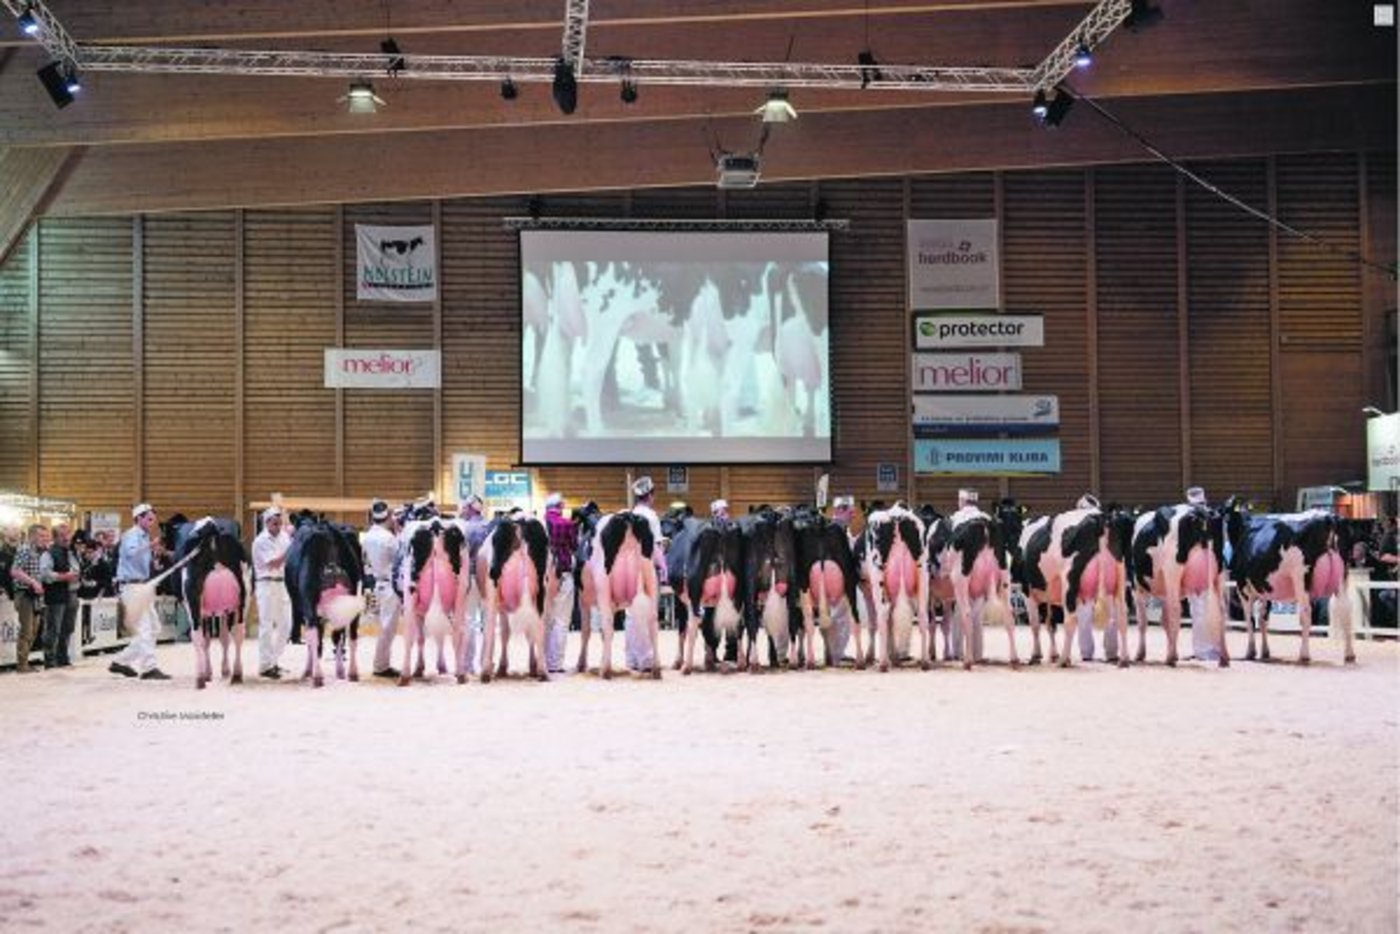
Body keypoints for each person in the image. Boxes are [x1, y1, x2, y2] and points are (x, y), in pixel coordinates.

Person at [109, 504, 170, 680]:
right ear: (139, 518)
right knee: (144, 628)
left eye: (153, 519)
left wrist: (155, 558)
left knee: (154, 628)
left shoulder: (144, 537)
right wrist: (150, 546)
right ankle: (149, 668)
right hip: (131, 587)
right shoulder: (132, 535)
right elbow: (130, 554)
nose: (152, 522)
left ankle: (121, 661)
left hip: (142, 586)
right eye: (149, 519)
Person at [624, 476, 666, 671]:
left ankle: (631, 658)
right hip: (646, 567)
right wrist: (664, 568)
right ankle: (646, 659)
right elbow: (656, 548)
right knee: (648, 614)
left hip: (627, 568)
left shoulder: (629, 515)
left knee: (631, 614)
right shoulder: (650, 517)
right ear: (650, 495)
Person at [362, 499, 402, 679]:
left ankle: (381, 664)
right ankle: (380, 666)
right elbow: (399, 560)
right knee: (388, 628)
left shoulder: (368, 536)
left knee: (383, 626)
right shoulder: (389, 538)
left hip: (377, 583)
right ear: (388, 517)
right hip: (390, 586)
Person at [252, 507, 293, 679]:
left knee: (286, 625)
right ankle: (264, 666)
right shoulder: (260, 541)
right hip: (266, 584)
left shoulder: (284, 537)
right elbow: (274, 564)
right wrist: (292, 549)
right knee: (266, 626)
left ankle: (274, 662)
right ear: (266, 522)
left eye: (280, 523)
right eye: (274, 523)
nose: (278, 526)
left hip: (282, 585)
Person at [9, 524, 49, 672]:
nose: (44, 539)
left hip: (36, 596)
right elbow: (14, 571)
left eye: (46, 536)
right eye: (41, 536)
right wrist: (32, 582)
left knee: (34, 630)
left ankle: (24, 662)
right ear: (32, 536)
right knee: (26, 630)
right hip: (24, 594)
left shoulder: (41, 552)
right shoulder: (24, 550)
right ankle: (22, 665)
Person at [543, 492, 576, 674]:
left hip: (542, 577)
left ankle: (540, 659)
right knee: (561, 620)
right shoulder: (567, 524)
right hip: (563, 572)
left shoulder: (539, 524)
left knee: (544, 619)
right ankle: (554, 663)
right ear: (561, 506)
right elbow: (574, 546)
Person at [39, 522, 80, 668]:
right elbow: (44, 574)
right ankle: (49, 660)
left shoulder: (71, 552)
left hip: (72, 594)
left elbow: (76, 569)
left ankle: (63, 658)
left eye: (68, 534)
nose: (66, 538)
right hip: (55, 595)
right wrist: (64, 576)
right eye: (62, 535)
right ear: (55, 538)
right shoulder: (48, 553)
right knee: (53, 629)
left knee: (68, 628)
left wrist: (75, 575)